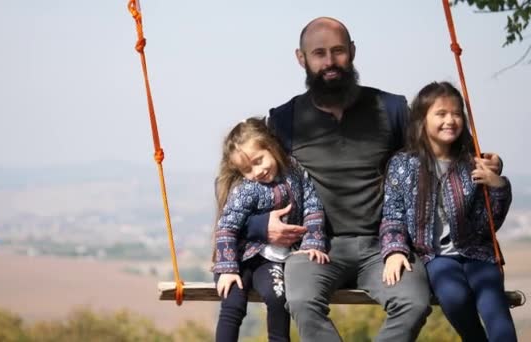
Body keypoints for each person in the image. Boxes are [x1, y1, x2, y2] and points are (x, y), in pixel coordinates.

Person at [243, 17, 503, 341]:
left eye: (338, 51)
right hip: (315, 246)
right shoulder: (284, 119)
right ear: (302, 58)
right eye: (319, 53)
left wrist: (489, 163)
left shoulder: (390, 108)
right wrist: (259, 225)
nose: (329, 62)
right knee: (300, 300)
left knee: (413, 302)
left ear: (352, 52)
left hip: (384, 246)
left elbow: (435, 156)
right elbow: (242, 183)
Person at [380, 81, 517, 342]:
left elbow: (487, 224)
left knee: (495, 309)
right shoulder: (403, 164)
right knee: (454, 297)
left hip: (477, 253)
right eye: (440, 114)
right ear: (421, 120)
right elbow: (392, 215)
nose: (450, 120)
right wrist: (394, 250)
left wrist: (498, 187)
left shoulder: (471, 163)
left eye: (456, 114)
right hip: (435, 257)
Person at [212, 117, 329, 342]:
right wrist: (227, 269)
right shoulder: (247, 190)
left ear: (271, 146)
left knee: (278, 298)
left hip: (271, 260)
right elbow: (226, 227)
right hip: (237, 259)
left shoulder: (295, 172)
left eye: (258, 161)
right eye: (246, 169)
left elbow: (313, 206)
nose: (256, 172)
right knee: (233, 302)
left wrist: (313, 242)